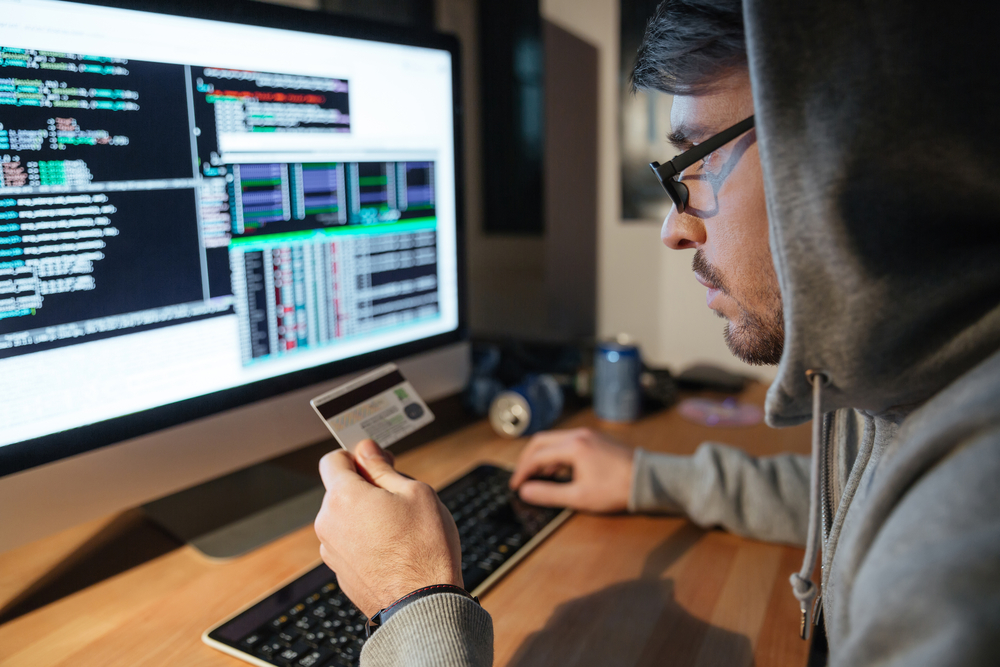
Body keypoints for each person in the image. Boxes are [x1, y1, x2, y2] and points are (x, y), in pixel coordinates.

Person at [313, 0, 1000, 664]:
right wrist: (647, 476)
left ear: (852, 144)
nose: (676, 229)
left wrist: (413, 603)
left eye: (696, 159)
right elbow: (851, 497)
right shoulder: (902, 383)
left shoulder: (967, 534)